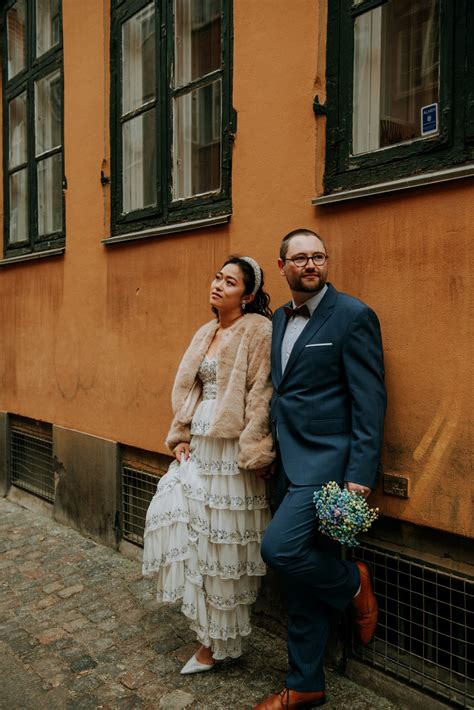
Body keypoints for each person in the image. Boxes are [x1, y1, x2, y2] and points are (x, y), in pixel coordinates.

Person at [254, 229, 387, 709]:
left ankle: (354, 582)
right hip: (289, 464)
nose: (311, 265)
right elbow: (283, 394)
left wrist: (360, 475)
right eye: (301, 258)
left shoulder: (352, 316)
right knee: (300, 582)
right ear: (283, 265)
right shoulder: (280, 320)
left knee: (279, 550)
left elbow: (369, 402)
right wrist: (271, 452)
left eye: (319, 257)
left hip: (329, 468)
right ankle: (305, 683)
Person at [143, 255, 274, 674]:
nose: (218, 285)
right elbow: (190, 392)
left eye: (230, 281)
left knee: (224, 546)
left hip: (231, 452)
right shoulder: (206, 331)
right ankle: (206, 630)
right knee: (187, 525)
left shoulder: (258, 330)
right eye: (217, 277)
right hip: (199, 446)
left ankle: (215, 644)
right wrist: (180, 437)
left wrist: (255, 450)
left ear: (248, 294)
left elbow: (260, 394)